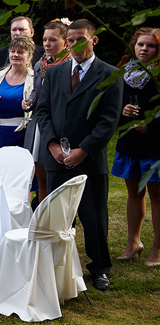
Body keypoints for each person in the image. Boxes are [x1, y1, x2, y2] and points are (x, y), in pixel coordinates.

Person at [34, 18, 123, 291]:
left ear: (93, 40)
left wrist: (83, 151)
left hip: (89, 160)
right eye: (70, 40)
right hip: (56, 159)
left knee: (94, 217)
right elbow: (42, 111)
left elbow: (108, 120)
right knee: (58, 217)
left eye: (80, 40)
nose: (74, 45)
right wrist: (52, 146)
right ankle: (56, 266)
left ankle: (99, 267)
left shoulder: (109, 75)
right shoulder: (55, 73)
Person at [111, 28, 160, 265]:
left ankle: (157, 248)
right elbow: (113, 102)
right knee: (134, 193)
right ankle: (133, 243)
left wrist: (151, 125)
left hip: (155, 144)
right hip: (130, 141)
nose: (144, 49)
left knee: (157, 197)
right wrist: (123, 109)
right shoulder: (125, 71)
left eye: (150, 46)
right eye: (140, 44)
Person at [25, 19, 70, 204]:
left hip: (57, 124)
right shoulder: (40, 64)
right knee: (40, 174)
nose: (47, 44)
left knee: (57, 177)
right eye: (44, 40)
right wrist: (29, 101)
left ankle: (61, 215)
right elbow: (37, 91)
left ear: (65, 42)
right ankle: (43, 214)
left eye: (52, 40)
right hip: (38, 123)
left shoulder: (70, 66)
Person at [0, 35, 36, 153]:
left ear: (29, 56)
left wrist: (29, 104)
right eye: (12, 51)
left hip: (22, 134)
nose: (15, 55)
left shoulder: (34, 78)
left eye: (20, 52)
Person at [0, 15, 45, 86]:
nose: (17, 33)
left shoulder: (43, 53)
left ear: (32, 32)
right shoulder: (0, 53)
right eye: (14, 30)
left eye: (21, 29)